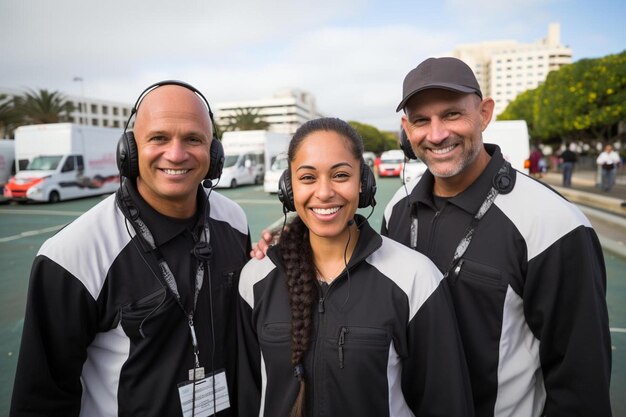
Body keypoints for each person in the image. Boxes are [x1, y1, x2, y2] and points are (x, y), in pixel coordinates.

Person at [383, 57, 612, 416]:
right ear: (406, 129)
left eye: (452, 114)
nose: (437, 133)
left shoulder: (554, 223)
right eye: (421, 121)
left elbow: (581, 380)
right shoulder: (395, 208)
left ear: (484, 114)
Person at [10, 81, 251, 416]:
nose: (177, 154)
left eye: (193, 139)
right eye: (159, 138)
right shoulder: (72, 254)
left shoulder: (235, 221)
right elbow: (42, 397)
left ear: (213, 154)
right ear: (130, 150)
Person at [238, 117, 474, 417]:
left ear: (363, 183)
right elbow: (248, 396)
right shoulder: (255, 278)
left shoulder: (415, 278)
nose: (324, 193)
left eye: (340, 175)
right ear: (289, 188)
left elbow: (445, 403)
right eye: (308, 177)